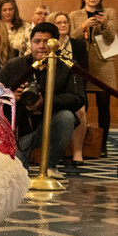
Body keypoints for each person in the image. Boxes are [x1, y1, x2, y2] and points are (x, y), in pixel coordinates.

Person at [0, 23, 85, 179]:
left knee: (66, 117)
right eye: (37, 41)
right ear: (30, 44)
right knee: (16, 174)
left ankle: (50, 165)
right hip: (20, 128)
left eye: (47, 42)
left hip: (51, 124)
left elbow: (78, 98)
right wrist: (11, 97)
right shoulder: (15, 65)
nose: (42, 46)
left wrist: (47, 101)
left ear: (56, 44)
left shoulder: (67, 66)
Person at [69, 0, 116, 157]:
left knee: (104, 105)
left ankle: (102, 146)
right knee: (82, 105)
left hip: (103, 63)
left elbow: (111, 38)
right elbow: (71, 38)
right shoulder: (75, 15)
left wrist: (103, 25)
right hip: (82, 63)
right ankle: (80, 145)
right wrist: (84, 26)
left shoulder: (109, 13)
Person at [49, 11, 89, 165]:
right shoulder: (47, 44)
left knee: (80, 110)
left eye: (65, 22)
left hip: (74, 89)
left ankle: (77, 152)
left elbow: (85, 71)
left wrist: (78, 93)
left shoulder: (78, 45)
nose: (63, 25)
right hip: (53, 89)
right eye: (59, 23)